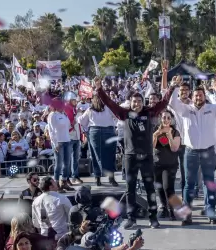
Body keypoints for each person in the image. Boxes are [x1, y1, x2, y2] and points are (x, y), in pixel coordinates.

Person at [94, 76, 175, 230]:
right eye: (134, 101)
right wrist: (99, 89)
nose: (137, 104)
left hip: (147, 157)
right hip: (130, 157)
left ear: (142, 102)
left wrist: (171, 87)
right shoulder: (124, 114)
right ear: (130, 103)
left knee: (150, 187)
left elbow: (164, 102)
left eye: (139, 101)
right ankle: (131, 218)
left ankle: (153, 218)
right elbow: (110, 104)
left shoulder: (150, 112)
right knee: (129, 189)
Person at [169, 80, 216, 225]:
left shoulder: (212, 108)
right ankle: (187, 215)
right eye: (196, 96)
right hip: (190, 152)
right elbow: (173, 103)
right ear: (192, 97)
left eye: (200, 95)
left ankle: (211, 213)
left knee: (209, 182)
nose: (198, 98)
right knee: (189, 185)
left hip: (208, 152)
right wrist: (174, 87)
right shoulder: (186, 109)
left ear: (205, 96)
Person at [77, 95, 118, 187]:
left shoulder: (90, 110)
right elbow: (117, 116)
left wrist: (79, 114)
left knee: (96, 155)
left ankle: (97, 178)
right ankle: (111, 178)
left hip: (95, 132)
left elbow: (82, 122)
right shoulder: (108, 108)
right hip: (108, 131)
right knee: (110, 155)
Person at [152, 110, 180, 220]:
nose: (166, 120)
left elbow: (174, 148)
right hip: (157, 163)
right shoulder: (155, 130)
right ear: (160, 119)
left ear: (172, 119)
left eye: (168, 118)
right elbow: (152, 146)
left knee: (168, 187)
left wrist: (169, 136)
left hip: (170, 164)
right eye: (164, 117)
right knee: (159, 187)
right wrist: (155, 135)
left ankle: (172, 209)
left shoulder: (175, 132)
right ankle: (164, 208)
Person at [32, 176, 72, 242]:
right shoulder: (61, 198)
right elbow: (71, 214)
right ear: (51, 187)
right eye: (54, 183)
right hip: (61, 236)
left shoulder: (36, 201)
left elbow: (35, 223)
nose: (56, 184)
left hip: (44, 237)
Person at [47, 98, 75, 192]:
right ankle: (56, 184)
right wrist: (55, 143)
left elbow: (67, 128)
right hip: (59, 142)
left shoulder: (64, 114)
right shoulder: (52, 115)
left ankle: (64, 182)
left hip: (67, 141)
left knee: (67, 164)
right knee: (59, 164)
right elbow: (51, 131)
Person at [65, 96, 83, 185]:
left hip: (76, 137)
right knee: (68, 159)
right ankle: (67, 177)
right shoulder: (67, 111)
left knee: (76, 158)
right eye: (73, 100)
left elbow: (79, 124)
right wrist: (74, 120)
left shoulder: (76, 110)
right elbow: (68, 125)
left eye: (75, 100)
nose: (75, 102)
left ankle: (75, 176)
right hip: (69, 137)